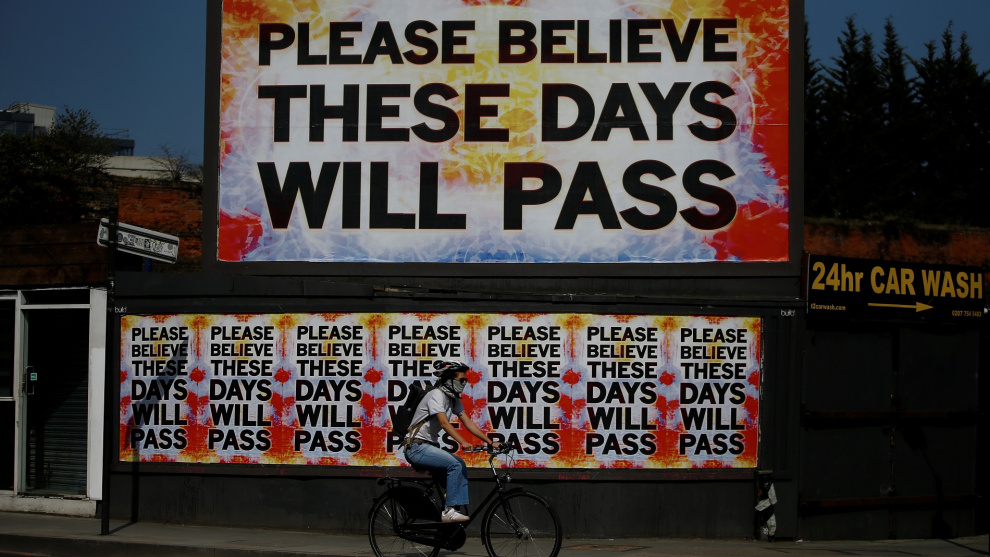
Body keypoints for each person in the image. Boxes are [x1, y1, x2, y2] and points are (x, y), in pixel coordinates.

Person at [402, 359, 500, 523]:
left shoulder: (453, 399)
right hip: (416, 447)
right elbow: (444, 423)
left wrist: (490, 442)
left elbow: (468, 423)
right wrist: (463, 442)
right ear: (448, 379)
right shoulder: (436, 395)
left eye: (465, 380)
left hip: (428, 446)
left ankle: (451, 516)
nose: (464, 383)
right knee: (455, 464)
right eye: (461, 379)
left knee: (458, 467)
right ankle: (449, 511)